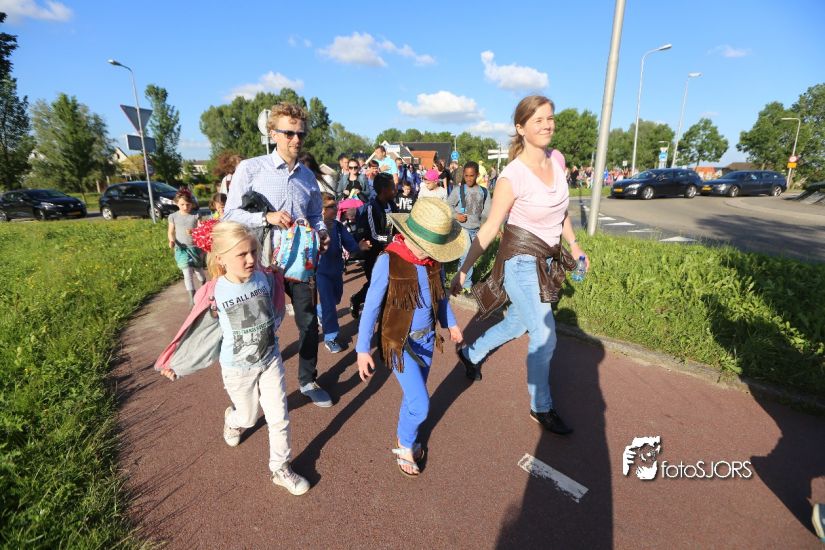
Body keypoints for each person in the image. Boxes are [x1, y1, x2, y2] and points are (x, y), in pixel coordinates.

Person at [450, 95, 589, 435]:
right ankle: (541, 407)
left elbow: (561, 211)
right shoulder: (512, 176)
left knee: (516, 323)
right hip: (521, 262)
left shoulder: (557, 161)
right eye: (538, 119)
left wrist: (574, 245)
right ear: (521, 128)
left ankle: (470, 354)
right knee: (544, 335)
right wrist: (464, 269)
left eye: (550, 118)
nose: (547, 124)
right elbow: (489, 228)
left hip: (547, 261)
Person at [155, 221, 310, 496]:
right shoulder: (213, 292)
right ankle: (233, 419)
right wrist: (176, 364)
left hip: (270, 360)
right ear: (221, 259)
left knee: (279, 417)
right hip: (238, 370)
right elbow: (196, 332)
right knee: (248, 418)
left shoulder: (263, 277)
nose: (251, 259)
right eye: (242, 254)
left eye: (253, 251)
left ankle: (280, 468)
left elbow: (275, 299)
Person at [223, 102, 333, 408]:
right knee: (261, 325)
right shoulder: (251, 168)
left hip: (300, 262)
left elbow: (315, 215)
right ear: (273, 134)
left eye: (301, 134)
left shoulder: (308, 177)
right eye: (289, 133)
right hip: (262, 261)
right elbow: (229, 214)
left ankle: (308, 380)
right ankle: (256, 384)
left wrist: (322, 233)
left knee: (308, 323)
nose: (296, 139)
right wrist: (266, 218)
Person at [356, 198, 465, 477]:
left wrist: (451, 324)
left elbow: (440, 297)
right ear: (410, 235)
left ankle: (406, 435)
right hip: (398, 343)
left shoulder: (433, 262)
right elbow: (371, 306)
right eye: (428, 246)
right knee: (421, 404)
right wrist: (362, 349)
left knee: (414, 396)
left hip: (426, 340)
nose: (432, 252)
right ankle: (405, 444)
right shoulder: (388, 260)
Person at [317, 193, 371, 353]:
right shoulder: (314, 227)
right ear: (321, 209)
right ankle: (331, 337)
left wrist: (359, 247)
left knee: (336, 299)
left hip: (337, 270)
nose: (335, 209)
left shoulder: (338, 226)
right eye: (330, 207)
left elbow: (350, 244)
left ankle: (319, 311)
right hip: (321, 272)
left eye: (336, 206)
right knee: (329, 305)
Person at [349, 173, 397, 319]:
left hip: (390, 252)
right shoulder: (371, 208)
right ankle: (359, 302)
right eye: (392, 187)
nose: (395, 190)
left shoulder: (392, 204)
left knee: (384, 284)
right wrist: (393, 239)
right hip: (374, 255)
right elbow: (374, 236)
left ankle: (362, 302)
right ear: (384, 190)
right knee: (377, 285)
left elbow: (397, 225)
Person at [447, 161, 491, 291]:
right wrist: (456, 215)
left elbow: (486, 211)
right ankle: (466, 285)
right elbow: (447, 206)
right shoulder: (458, 190)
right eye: (466, 176)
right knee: (466, 256)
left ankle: (458, 281)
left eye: (472, 175)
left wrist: (484, 225)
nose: (469, 178)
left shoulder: (484, 191)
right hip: (462, 228)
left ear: (477, 175)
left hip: (476, 229)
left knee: (470, 258)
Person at [167, 189, 206, 304]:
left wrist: (194, 231)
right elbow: (170, 231)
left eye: (188, 204)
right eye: (182, 204)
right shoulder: (173, 216)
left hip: (195, 248)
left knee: (198, 271)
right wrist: (171, 240)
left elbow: (202, 230)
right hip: (181, 249)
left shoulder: (196, 215)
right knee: (186, 272)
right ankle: (192, 298)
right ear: (177, 203)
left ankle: (204, 285)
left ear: (192, 204)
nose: (185, 207)